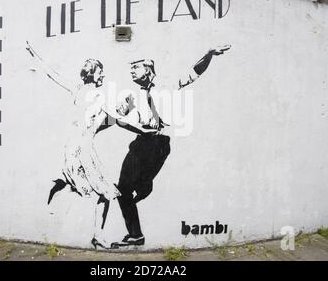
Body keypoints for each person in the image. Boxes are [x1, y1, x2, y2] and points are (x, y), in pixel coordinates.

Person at [25, 42, 153, 249]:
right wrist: (142, 130)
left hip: (71, 148)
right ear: (94, 74)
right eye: (101, 72)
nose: (103, 76)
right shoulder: (100, 96)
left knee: (82, 187)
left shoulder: (77, 89)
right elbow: (118, 120)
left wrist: (35, 56)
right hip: (84, 150)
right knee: (106, 193)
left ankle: (61, 185)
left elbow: (53, 74)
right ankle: (98, 236)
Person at [111, 45, 231, 247]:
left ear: (148, 69)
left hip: (159, 144)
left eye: (135, 67)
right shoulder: (133, 94)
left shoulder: (166, 85)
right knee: (122, 189)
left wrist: (208, 55)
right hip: (141, 142)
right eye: (131, 68)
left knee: (135, 187)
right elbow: (117, 114)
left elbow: (194, 73)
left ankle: (144, 186)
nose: (131, 71)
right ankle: (136, 234)